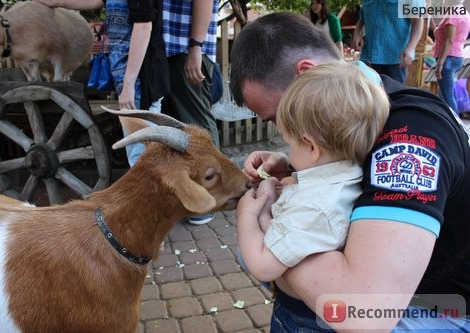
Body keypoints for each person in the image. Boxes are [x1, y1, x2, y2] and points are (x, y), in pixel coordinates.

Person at [230, 11, 470, 331]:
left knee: (264, 254)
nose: (286, 136)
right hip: (403, 294)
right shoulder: (357, 109)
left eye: (279, 120)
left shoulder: (411, 138)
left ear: (306, 75)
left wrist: (265, 224)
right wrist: (292, 167)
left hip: (442, 306)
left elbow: (360, 312)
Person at [237, 62, 390, 331]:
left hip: (303, 320)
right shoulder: (349, 174)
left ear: (311, 146)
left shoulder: (314, 206)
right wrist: (287, 185)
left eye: (290, 143)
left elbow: (262, 266)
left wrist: (246, 215)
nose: (288, 151)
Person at [34, 0, 170, 167]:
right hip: (128, 80)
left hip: (142, 81)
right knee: (138, 152)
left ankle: (150, 193)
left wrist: (129, 85)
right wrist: (58, 2)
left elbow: (143, 27)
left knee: (142, 156)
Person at [162, 0, 220, 225]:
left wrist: (195, 47)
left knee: (197, 126)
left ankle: (210, 198)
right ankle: (192, 197)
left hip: (186, 48)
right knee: (176, 130)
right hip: (170, 50)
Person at [352, 0, 424, 83]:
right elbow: (361, 20)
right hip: (368, 57)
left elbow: (418, 21)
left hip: (394, 58)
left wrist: (411, 47)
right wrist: (357, 34)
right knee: (368, 94)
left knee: (393, 94)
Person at [433, 0, 470, 118]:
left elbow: (449, 40)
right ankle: (446, 120)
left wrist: (440, 63)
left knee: (447, 94)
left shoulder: (453, 14)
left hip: (449, 57)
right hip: (456, 55)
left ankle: (455, 124)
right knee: (445, 92)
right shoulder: (464, 12)